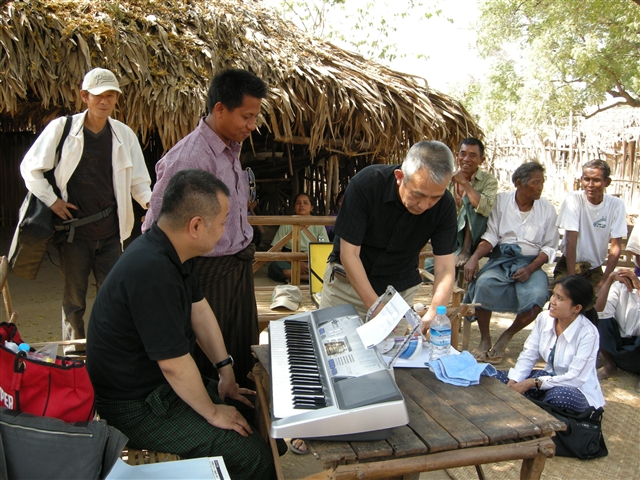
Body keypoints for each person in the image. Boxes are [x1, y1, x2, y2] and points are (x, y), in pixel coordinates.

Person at [86, 170, 275, 479]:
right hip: (134, 405)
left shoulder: (170, 252)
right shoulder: (152, 272)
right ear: (196, 226)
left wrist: (225, 370)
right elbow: (173, 364)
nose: (226, 230)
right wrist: (212, 412)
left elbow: (199, 311)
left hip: (157, 389)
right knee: (255, 457)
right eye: (223, 222)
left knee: (261, 419)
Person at [142, 68, 267, 386]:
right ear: (220, 109)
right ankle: (213, 422)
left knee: (241, 353)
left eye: (255, 118)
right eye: (246, 117)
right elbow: (156, 229)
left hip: (236, 272)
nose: (251, 127)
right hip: (205, 276)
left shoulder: (230, 150)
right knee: (210, 361)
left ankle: (245, 418)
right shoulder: (187, 160)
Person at [20, 67, 152, 348]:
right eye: (97, 96)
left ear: (116, 99)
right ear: (84, 96)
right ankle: (73, 356)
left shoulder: (123, 135)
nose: (104, 101)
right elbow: (30, 168)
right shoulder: (62, 129)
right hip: (74, 234)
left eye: (110, 96)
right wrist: (52, 200)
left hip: (111, 233)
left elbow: (139, 181)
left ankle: (107, 353)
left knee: (113, 298)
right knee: (74, 301)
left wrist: (151, 203)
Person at [319, 140, 457, 330]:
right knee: (333, 350)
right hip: (346, 289)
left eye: (435, 197)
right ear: (399, 177)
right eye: (418, 195)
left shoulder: (445, 206)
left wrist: (434, 311)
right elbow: (349, 254)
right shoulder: (366, 185)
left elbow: (445, 268)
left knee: (391, 356)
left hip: (397, 296)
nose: (425, 205)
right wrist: (374, 306)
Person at [464, 162, 558, 364]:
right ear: (519, 183)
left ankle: (507, 335)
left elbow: (549, 247)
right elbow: (491, 236)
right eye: (535, 182)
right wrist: (474, 258)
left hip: (532, 264)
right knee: (483, 285)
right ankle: (485, 339)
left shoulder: (547, 209)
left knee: (538, 297)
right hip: (502, 260)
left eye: (542, 182)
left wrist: (531, 268)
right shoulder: (502, 201)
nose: (540, 187)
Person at [495, 275, 605, 413]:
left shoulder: (589, 333)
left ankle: (534, 411)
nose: (552, 301)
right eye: (553, 295)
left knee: (559, 398)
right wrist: (515, 379)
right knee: (494, 377)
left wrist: (533, 383)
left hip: (575, 388)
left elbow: (575, 378)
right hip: (547, 377)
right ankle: (533, 406)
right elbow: (529, 354)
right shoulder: (544, 318)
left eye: (560, 298)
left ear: (576, 308)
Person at [424, 137, 498, 274]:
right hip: (452, 234)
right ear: (457, 156)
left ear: (482, 160)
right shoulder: (449, 179)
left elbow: (485, 208)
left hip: (476, 235)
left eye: (473, 155)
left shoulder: (489, 181)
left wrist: (465, 183)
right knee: (429, 267)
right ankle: (453, 254)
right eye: (463, 154)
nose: (466, 159)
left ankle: (465, 250)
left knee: (469, 203)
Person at [554, 159, 627, 290]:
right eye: (586, 179)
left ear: (607, 182)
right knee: (564, 301)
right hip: (568, 266)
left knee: (595, 305)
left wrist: (603, 282)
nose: (590, 184)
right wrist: (571, 280)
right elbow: (571, 240)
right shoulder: (574, 199)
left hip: (594, 270)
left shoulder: (616, 205)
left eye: (596, 180)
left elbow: (615, 248)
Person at [595, 268, 640, 391]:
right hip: (618, 348)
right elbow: (597, 310)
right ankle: (610, 365)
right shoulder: (620, 285)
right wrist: (609, 280)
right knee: (599, 318)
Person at [268, 192, 329, 283]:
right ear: (294, 207)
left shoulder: (318, 224)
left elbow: (325, 248)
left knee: (329, 266)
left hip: (311, 259)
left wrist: (312, 262)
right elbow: (276, 249)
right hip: (291, 260)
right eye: (298, 203)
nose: (301, 205)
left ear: (311, 207)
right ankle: (309, 277)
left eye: (305, 203)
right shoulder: (287, 224)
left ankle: (298, 276)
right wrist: (296, 262)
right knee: (275, 267)